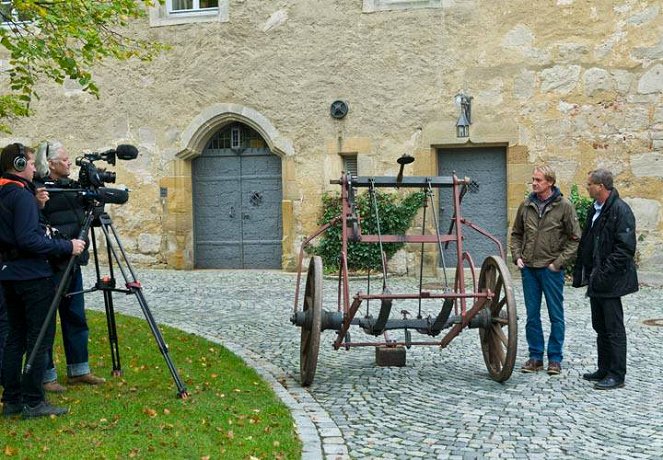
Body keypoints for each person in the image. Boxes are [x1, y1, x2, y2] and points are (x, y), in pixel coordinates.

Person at [0, 143, 86, 418]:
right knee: (39, 338)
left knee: (15, 337)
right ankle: (34, 401)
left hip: (9, 273)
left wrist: (35, 206)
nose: (36, 168)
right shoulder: (21, 196)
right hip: (32, 276)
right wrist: (66, 247)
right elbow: (28, 239)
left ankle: (12, 398)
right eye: (31, 163)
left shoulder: (7, 191)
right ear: (19, 165)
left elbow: (14, 229)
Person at [36, 141, 106, 392]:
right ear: (51, 164)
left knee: (75, 315)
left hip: (73, 262)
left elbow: (91, 217)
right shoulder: (40, 190)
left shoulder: (74, 187)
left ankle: (79, 370)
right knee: (46, 321)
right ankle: (46, 375)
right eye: (64, 159)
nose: (69, 163)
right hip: (51, 263)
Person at [511, 165, 581, 375]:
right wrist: (517, 257)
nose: (534, 183)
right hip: (529, 269)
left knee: (555, 315)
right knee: (532, 315)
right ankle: (535, 357)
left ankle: (554, 359)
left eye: (538, 180)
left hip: (551, 269)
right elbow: (516, 234)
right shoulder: (526, 205)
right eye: (533, 179)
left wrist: (558, 263)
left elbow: (575, 238)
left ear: (550, 182)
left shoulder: (564, 206)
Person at [572, 169, 638, 390]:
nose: (587, 186)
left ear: (601, 186)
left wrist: (603, 272)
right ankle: (604, 368)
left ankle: (617, 374)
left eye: (589, 184)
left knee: (614, 328)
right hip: (597, 279)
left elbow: (625, 249)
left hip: (611, 280)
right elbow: (589, 241)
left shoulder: (621, 210)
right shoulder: (595, 208)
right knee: (600, 325)